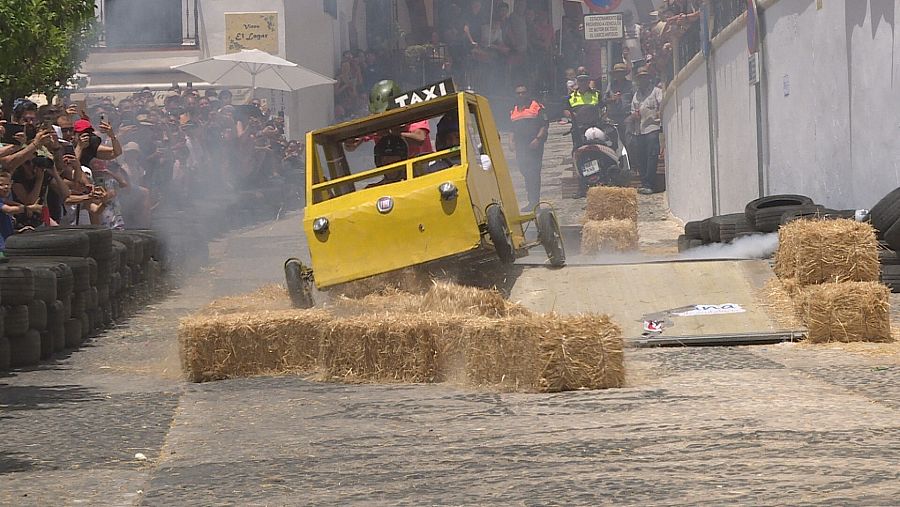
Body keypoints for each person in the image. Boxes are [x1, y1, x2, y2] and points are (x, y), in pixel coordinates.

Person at [510, 85, 548, 211]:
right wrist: (511, 141)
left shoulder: (536, 106)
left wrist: (538, 139)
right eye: (518, 93)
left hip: (534, 145)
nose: (521, 95)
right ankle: (531, 201)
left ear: (528, 93)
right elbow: (512, 128)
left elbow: (544, 125)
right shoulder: (514, 109)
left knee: (533, 173)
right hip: (520, 146)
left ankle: (534, 203)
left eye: (523, 93)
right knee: (524, 171)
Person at [631, 67, 664, 194]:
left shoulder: (656, 92)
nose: (642, 80)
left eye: (644, 77)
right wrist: (634, 115)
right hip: (639, 129)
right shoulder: (636, 95)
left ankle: (650, 184)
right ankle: (644, 182)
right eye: (640, 78)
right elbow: (633, 110)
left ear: (648, 78)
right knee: (641, 157)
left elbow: (662, 105)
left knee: (652, 156)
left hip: (653, 127)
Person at [565, 73, 601, 150]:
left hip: (595, 126)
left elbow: (604, 106)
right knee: (578, 149)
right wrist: (569, 114)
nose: (583, 83)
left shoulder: (596, 94)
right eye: (580, 81)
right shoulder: (571, 96)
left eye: (585, 81)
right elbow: (566, 109)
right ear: (577, 82)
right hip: (578, 128)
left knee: (599, 148)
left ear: (589, 82)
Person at [605, 63, 635, 128]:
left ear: (624, 74)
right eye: (617, 73)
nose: (619, 74)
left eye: (621, 72)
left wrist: (632, 116)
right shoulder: (611, 85)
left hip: (627, 116)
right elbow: (604, 100)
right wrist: (612, 99)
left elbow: (636, 100)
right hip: (613, 117)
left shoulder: (630, 85)